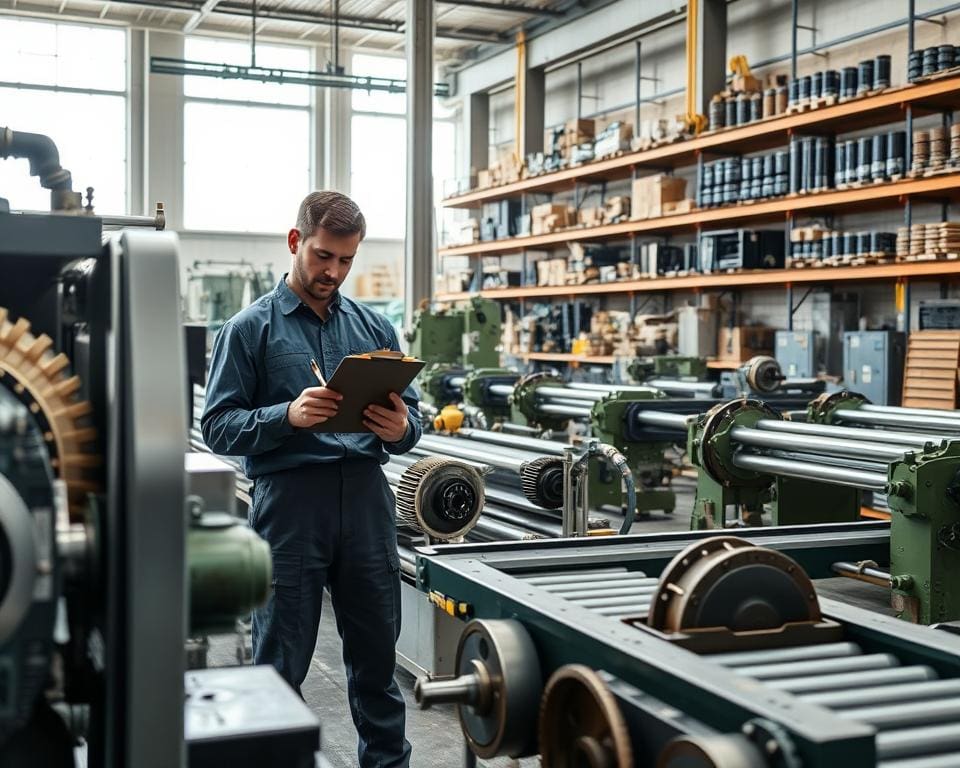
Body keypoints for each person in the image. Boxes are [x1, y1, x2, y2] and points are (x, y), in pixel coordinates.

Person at [201, 191, 419, 768]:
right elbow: (219, 427)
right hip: (291, 505)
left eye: (346, 260)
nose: (333, 272)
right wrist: (286, 416)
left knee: (377, 658)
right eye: (324, 256)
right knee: (280, 658)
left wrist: (401, 428)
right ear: (296, 241)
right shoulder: (249, 330)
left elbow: (411, 420)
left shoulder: (375, 328)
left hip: (368, 503)